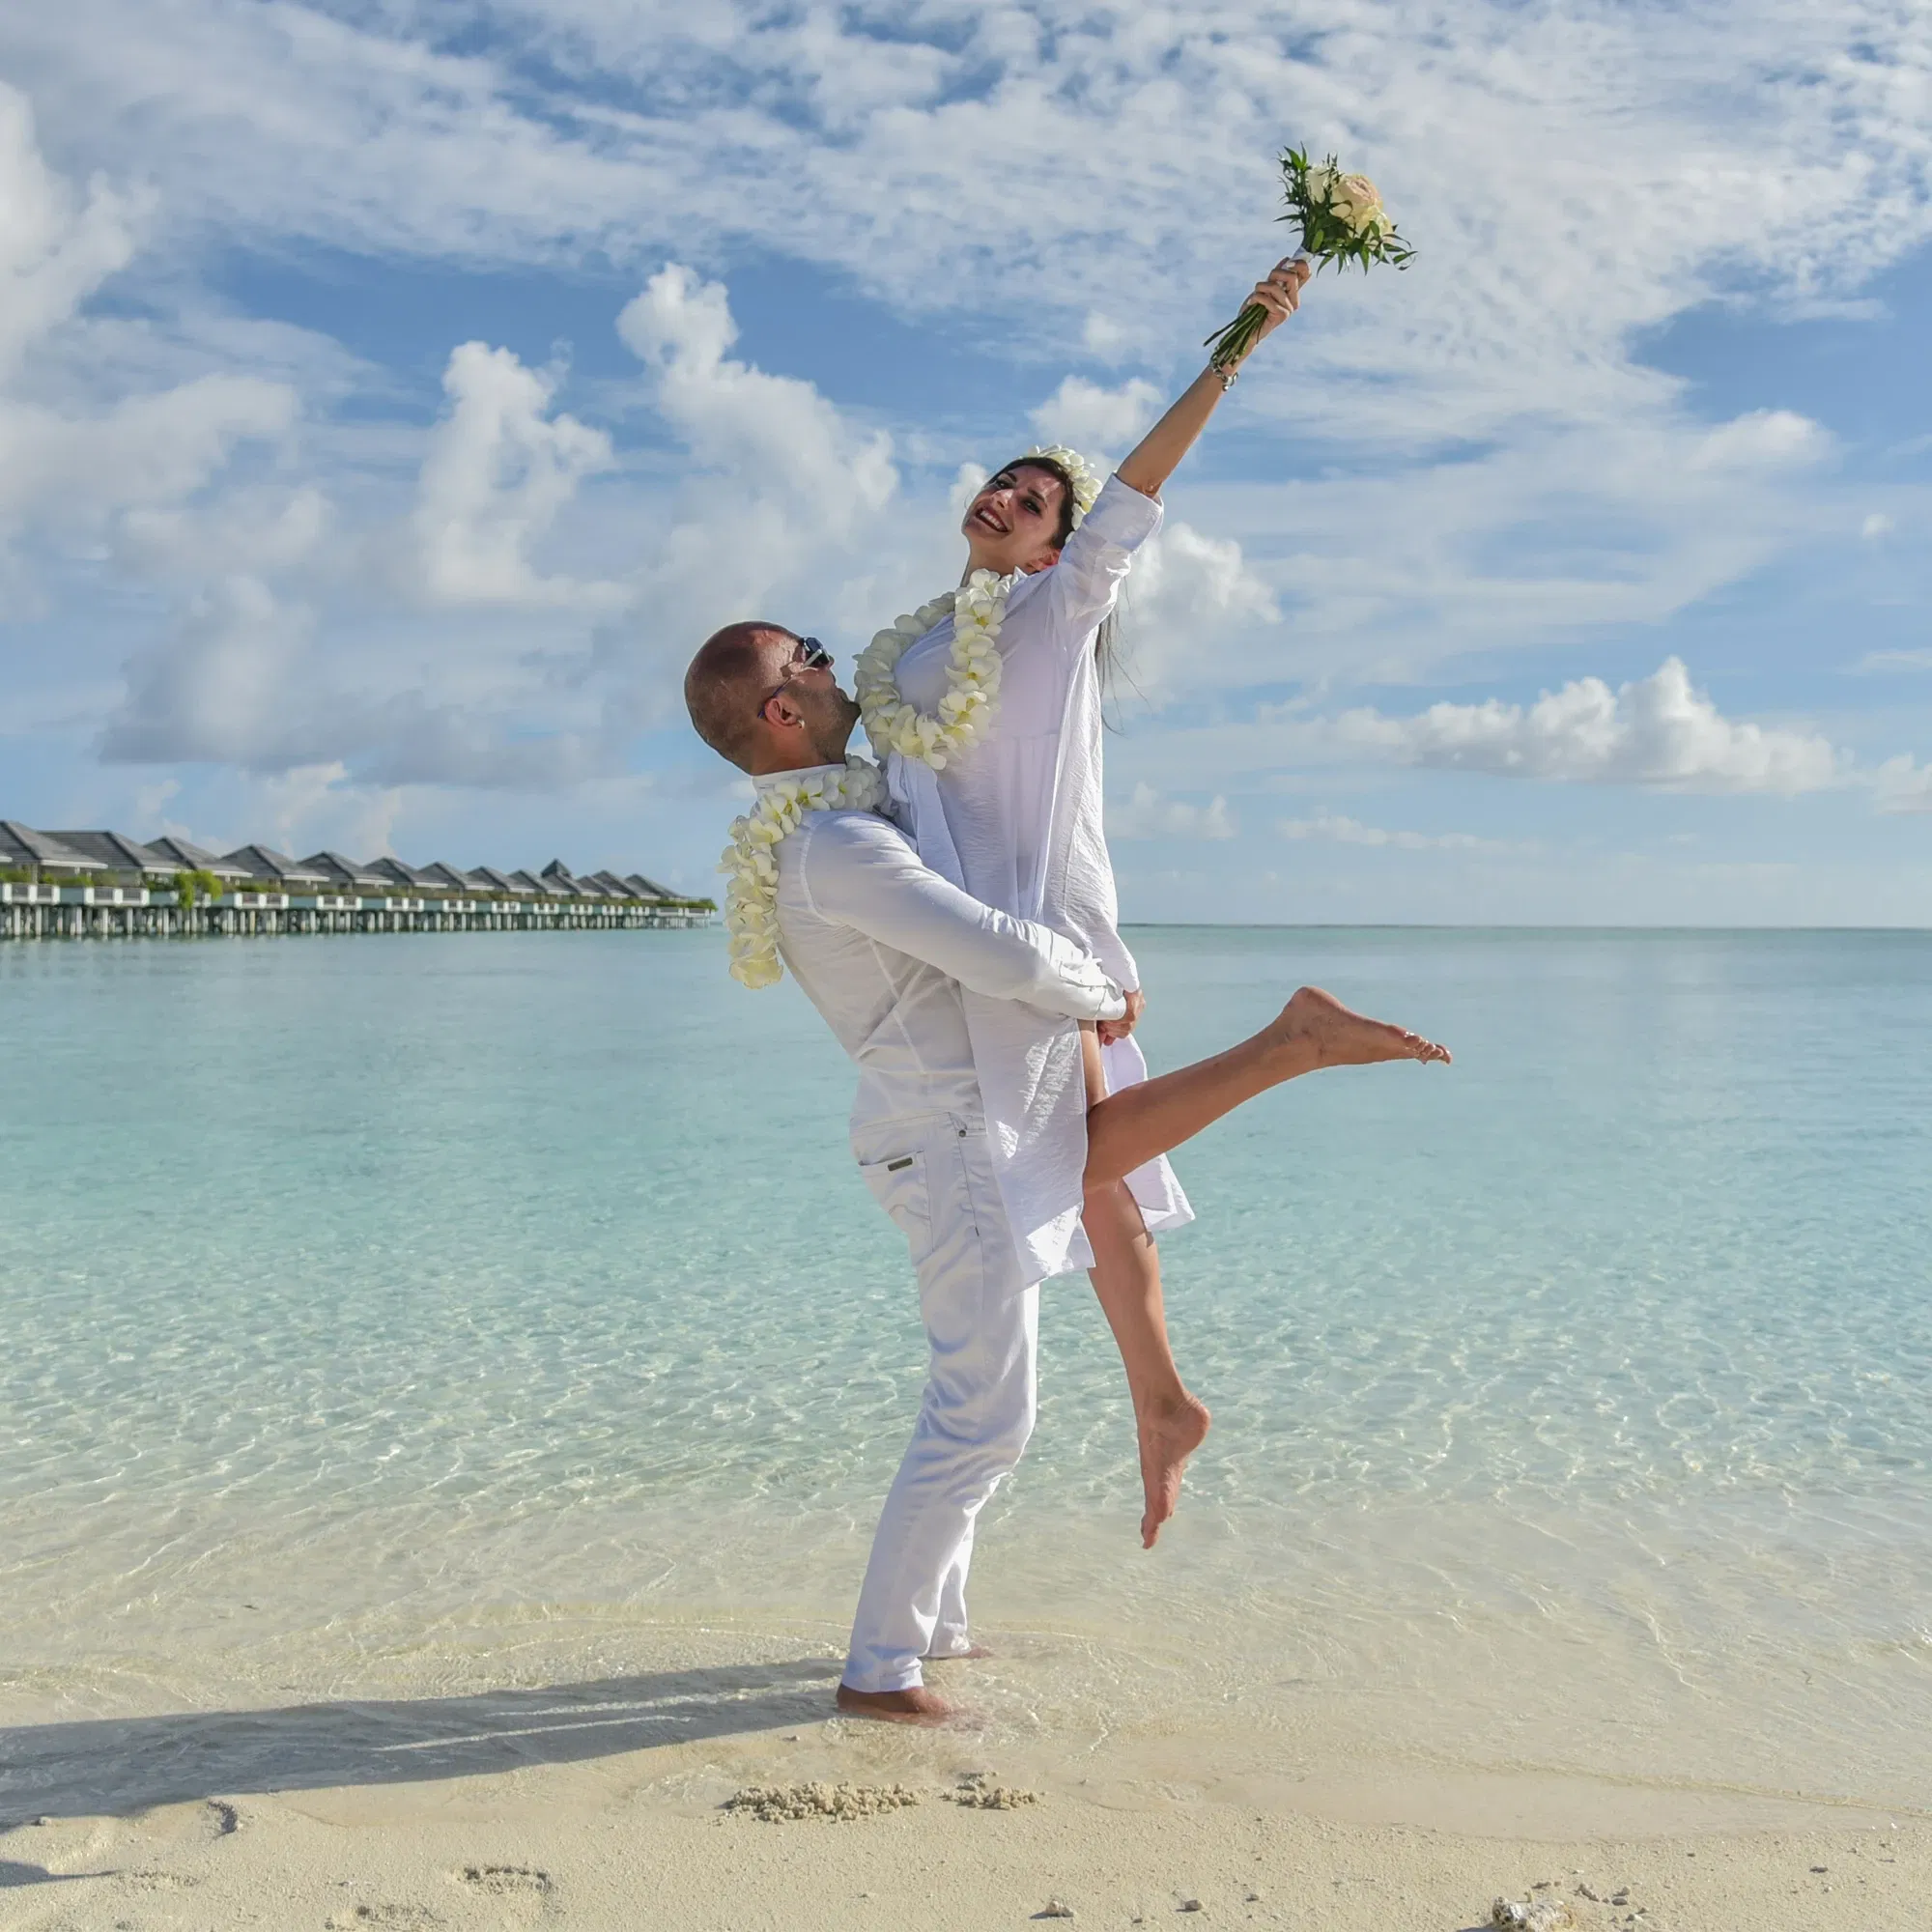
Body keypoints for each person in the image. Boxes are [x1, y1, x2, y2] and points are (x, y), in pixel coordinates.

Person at [685, 619, 1448, 1723]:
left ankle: (932, 1629)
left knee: (994, 1374)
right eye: (803, 653)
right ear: (779, 712)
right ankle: (879, 1667)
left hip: (954, 1125)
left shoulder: (829, 829)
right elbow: (990, 947)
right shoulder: (837, 848)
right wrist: (1097, 989)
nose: (825, 654)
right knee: (980, 1413)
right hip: (949, 1141)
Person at [857, 256, 1313, 1548]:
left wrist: (1240, 346)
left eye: (1039, 499)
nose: (1009, 497)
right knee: (1100, 1184)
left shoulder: (1053, 618)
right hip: (963, 953)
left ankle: (1287, 1053)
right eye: (1006, 480)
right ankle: (1163, 1404)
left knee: (1088, 1169)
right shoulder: (914, 652)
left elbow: (1142, 489)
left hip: (1037, 949)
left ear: (1062, 548)